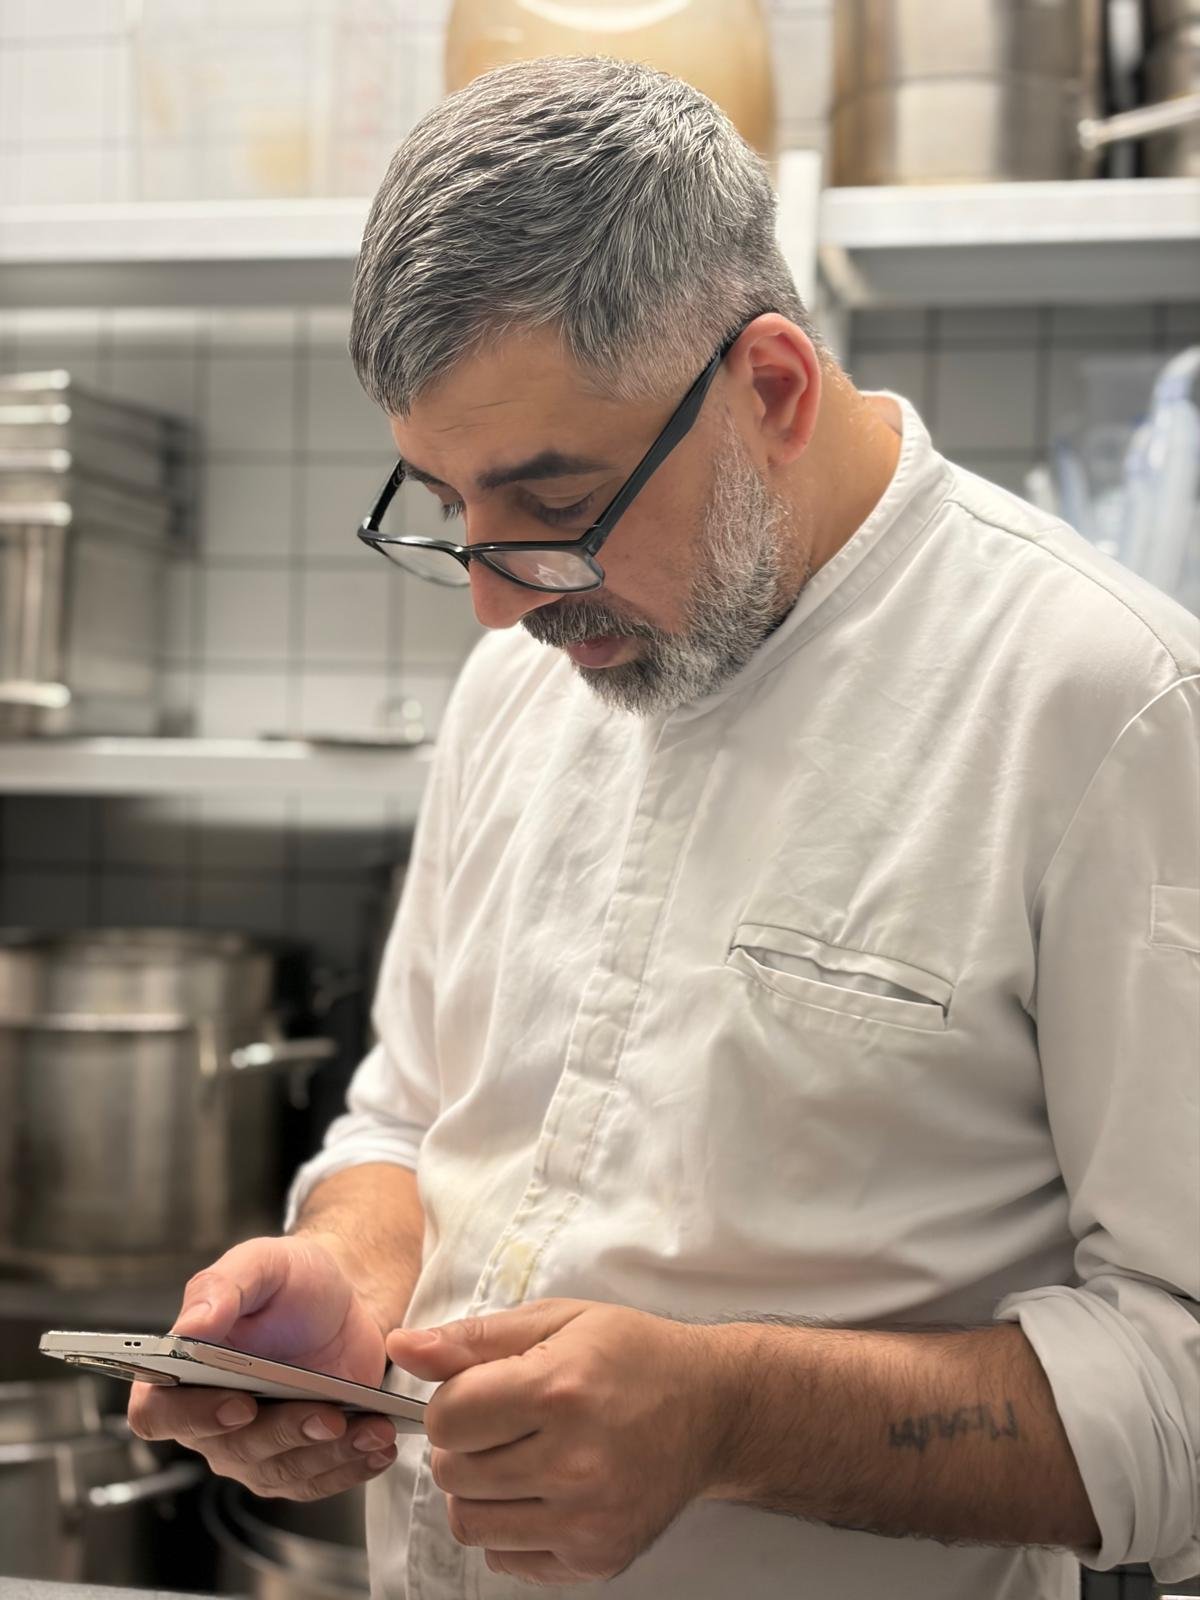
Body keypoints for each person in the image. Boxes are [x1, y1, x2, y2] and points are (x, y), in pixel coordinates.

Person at [129, 55, 1200, 1600]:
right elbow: (411, 1120)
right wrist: (343, 1287)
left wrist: (726, 1416)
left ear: (770, 386)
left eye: (550, 499)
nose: (499, 599)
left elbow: (1182, 1378)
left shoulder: (1110, 705)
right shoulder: (525, 673)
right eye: (446, 505)